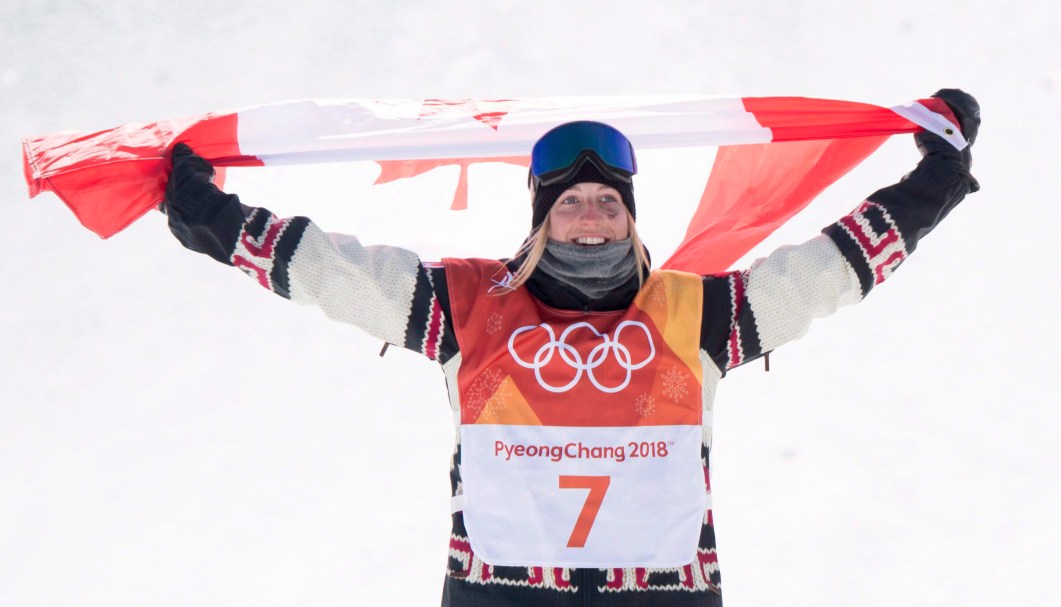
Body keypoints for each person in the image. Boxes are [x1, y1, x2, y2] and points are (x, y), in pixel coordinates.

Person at [162, 89, 981, 607]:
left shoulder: (697, 314)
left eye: (606, 201)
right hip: (499, 594)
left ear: (630, 215)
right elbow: (335, 274)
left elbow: (829, 270)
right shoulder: (466, 307)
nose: (591, 216)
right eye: (571, 202)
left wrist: (934, 182)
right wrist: (216, 220)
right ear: (540, 216)